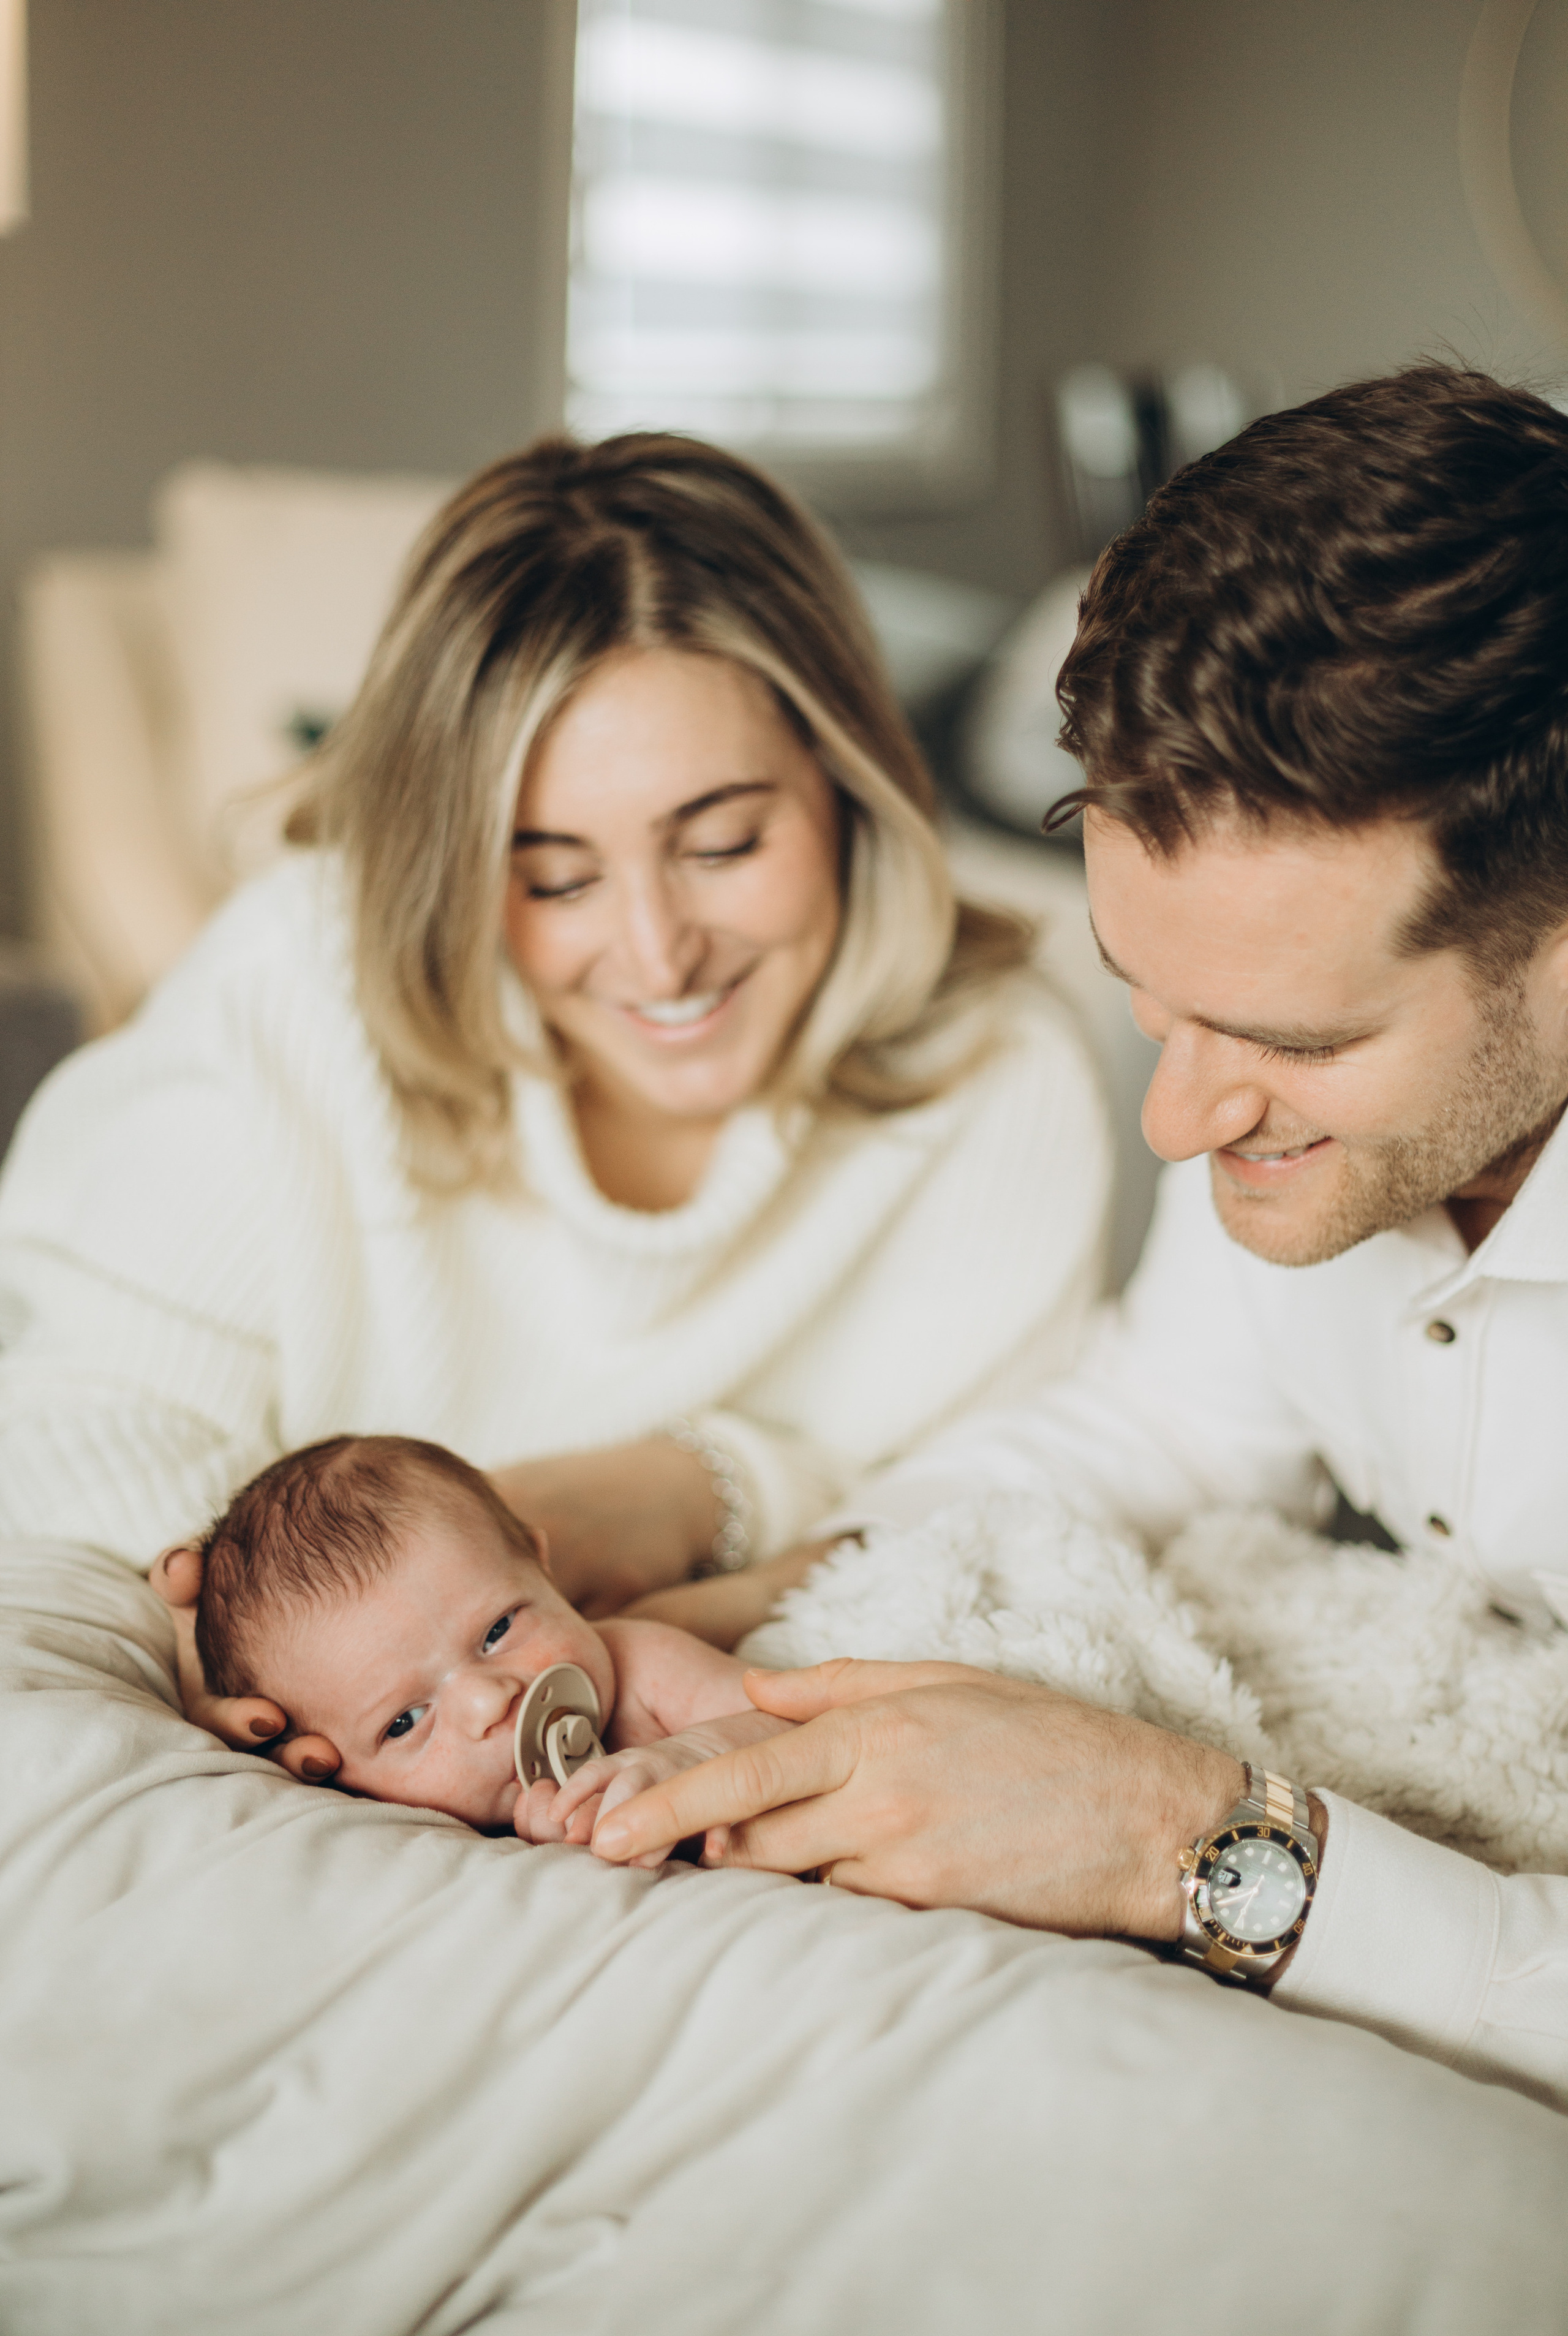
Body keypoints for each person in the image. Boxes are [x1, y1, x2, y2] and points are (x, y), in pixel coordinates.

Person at [589, 367, 1568, 2112]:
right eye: (1148, 1005)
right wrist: (714, 1619)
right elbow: (1170, 1425)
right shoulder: (1272, 1092)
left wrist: (1180, 1842)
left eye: (1296, 1042)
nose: (1174, 1127)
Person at [0, 429, 1109, 1769]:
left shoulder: (1000, 1082)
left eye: (721, 842)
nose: (656, 954)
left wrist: (707, 1497)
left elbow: (1017, 1506)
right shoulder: (297, 987)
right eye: (554, 876)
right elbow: (68, 1414)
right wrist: (277, 1643)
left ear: (845, 782)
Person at [186, 1432, 777, 1858]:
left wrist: (691, 1757)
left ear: (541, 1567)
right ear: (330, 1773)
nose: (489, 1702)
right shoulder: (420, 1846)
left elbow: (792, 1724)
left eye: (498, 1631)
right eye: (405, 1722)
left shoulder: (642, 1666)